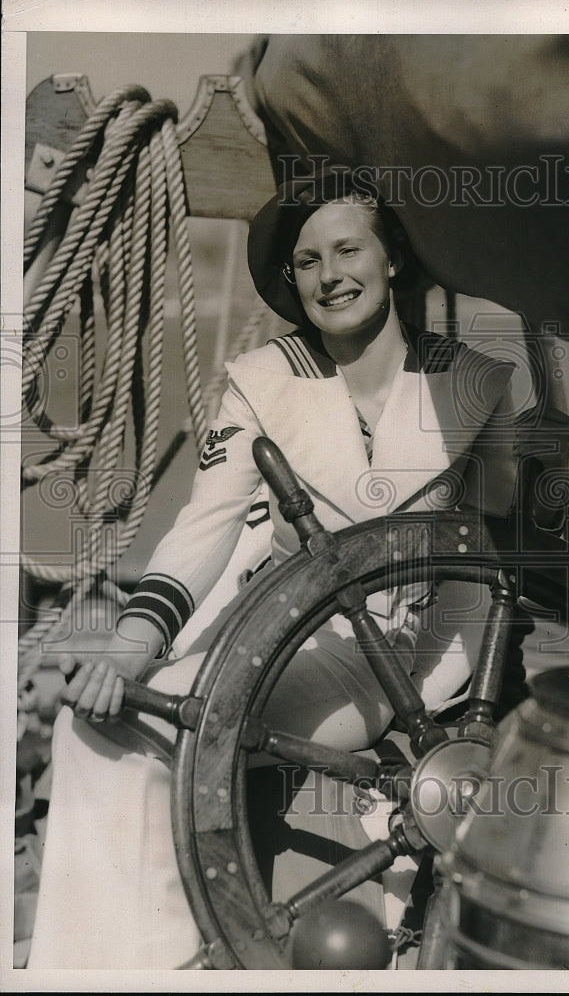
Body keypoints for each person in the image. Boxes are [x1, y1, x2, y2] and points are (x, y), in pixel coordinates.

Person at [28, 167, 518, 969]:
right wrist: (133, 639)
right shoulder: (261, 382)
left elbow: (498, 553)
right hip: (263, 627)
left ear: (392, 258)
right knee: (94, 727)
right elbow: (205, 526)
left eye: (349, 249)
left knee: (118, 736)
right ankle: (130, 964)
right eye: (308, 261)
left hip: (378, 662)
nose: (331, 276)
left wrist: (453, 699)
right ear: (291, 280)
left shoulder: (475, 384)